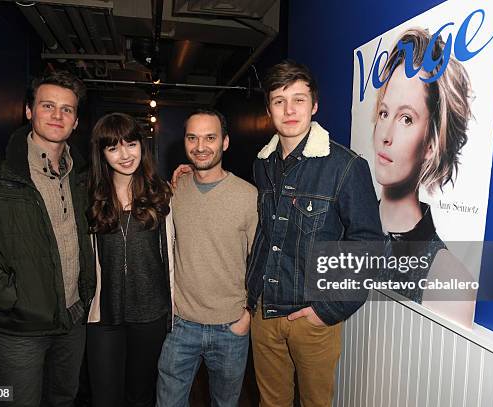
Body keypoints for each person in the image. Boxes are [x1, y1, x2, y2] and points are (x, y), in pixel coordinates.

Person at [0, 70, 95, 406]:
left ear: (75, 121)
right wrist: (7, 295)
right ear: (29, 111)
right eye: (47, 106)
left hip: (72, 322)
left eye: (67, 109)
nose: (57, 115)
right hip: (18, 330)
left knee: (63, 399)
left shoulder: (82, 176)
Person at [245, 60, 384, 406]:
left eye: (299, 99)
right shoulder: (262, 164)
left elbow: (369, 244)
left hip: (312, 317)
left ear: (315, 105)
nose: (289, 110)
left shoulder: (346, 166)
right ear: (269, 109)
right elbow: (266, 232)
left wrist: (329, 309)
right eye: (279, 101)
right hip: (265, 311)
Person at [372, 28, 476, 327]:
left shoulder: (446, 276)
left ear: (430, 144)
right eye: (383, 113)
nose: (386, 135)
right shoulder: (351, 229)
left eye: (406, 118)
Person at [156, 109, 257, 407]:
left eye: (210, 137)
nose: (201, 146)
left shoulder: (248, 196)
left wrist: (247, 314)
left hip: (231, 326)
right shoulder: (174, 190)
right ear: (185, 142)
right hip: (180, 324)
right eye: (193, 138)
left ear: (225, 142)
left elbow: (261, 261)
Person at [86, 112, 173, 407]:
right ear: (102, 154)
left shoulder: (163, 194)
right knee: (105, 397)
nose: (125, 155)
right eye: (113, 148)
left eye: (131, 143)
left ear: (142, 145)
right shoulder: (89, 196)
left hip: (150, 315)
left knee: (141, 396)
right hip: (105, 315)